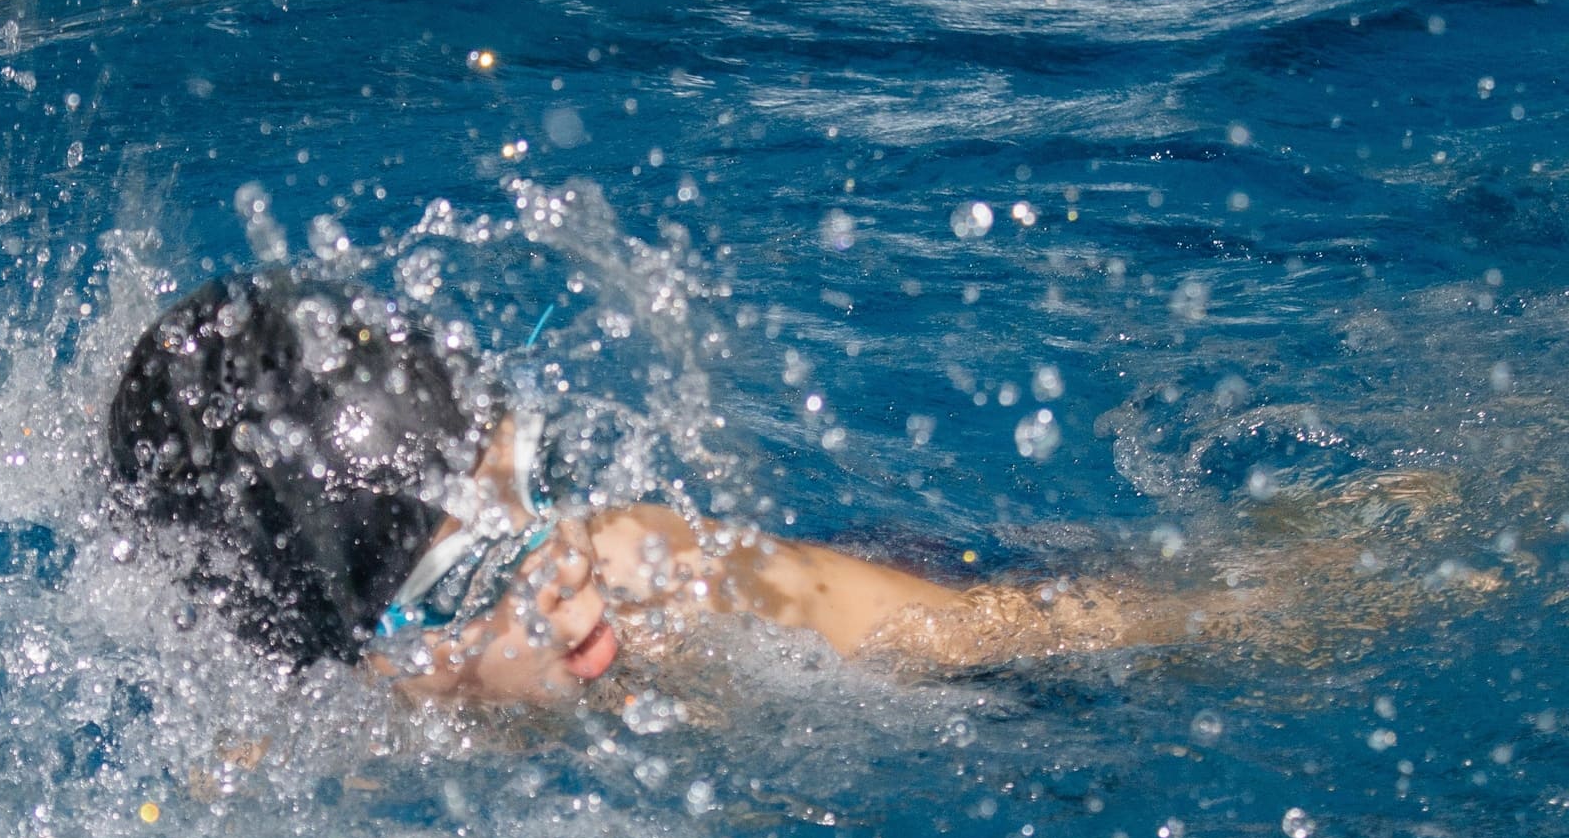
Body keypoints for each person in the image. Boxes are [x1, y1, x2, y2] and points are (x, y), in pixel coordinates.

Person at [106, 271, 1252, 704]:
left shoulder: (666, 571)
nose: (562, 564)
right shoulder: (617, 563)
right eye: (481, 568)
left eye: (549, 481)